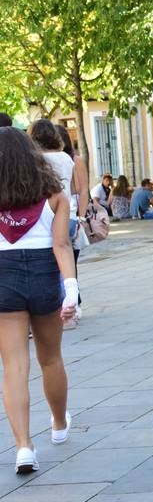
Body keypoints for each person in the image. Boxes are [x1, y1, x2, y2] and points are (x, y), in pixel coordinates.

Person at [0, 128, 77, 474]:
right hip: (45, 275)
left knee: (14, 366)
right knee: (50, 358)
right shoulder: (53, 196)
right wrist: (71, 289)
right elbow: (62, 246)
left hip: (4, 278)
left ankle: (23, 448)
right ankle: (59, 424)